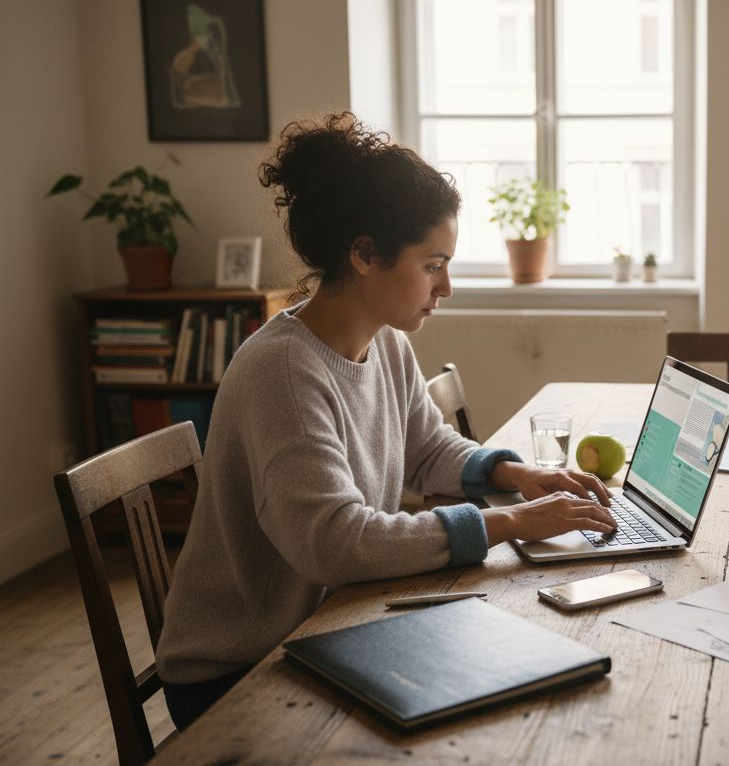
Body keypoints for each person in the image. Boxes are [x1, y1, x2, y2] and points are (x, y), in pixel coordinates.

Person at [155, 112, 617, 729]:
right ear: (365, 254)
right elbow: (336, 543)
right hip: (238, 670)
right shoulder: (285, 372)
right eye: (433, 264)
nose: (447, 286)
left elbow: (426, 450)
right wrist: (509, 522)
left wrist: (516, 474)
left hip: (332, 623)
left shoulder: (385, 340)